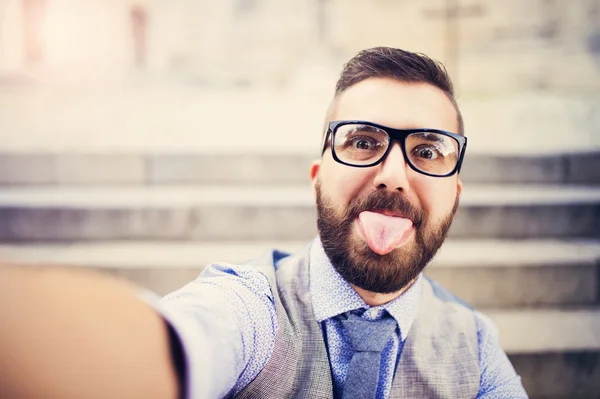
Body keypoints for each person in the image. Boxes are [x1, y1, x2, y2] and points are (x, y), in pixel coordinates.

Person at [0, 47, 528, 399]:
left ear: (454, 195)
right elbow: (178, 340)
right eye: (363, 142)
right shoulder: (249, 306)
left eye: (428, 151)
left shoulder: (477, 351)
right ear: (318, 175)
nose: (392, 175)